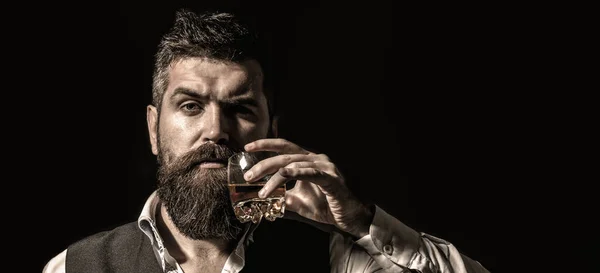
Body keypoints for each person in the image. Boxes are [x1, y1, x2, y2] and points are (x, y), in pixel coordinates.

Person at [43, 8, 491, 273]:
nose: (217, 130)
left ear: (270, 130)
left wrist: (357, 221)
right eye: (191, 106)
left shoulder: (328, 258)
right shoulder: (76, 268)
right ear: (152, 130)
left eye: (240, 108)